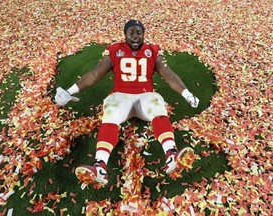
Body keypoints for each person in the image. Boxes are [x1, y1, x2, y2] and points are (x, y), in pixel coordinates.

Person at [54, 19, 199, 186]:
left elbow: (169, 75)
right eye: (131, 32)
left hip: (145, 97)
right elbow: (95, 74)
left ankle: (171, 155)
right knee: (111, 111)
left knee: (157, 104)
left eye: (139, 32)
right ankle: (100, 165)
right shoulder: (115, 50)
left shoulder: (152, 51)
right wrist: (69, 91)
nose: (135, 36)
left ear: (144, 34)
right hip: (122, 97)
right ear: (125, 34)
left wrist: (187, 94)